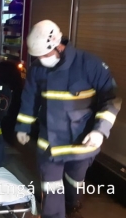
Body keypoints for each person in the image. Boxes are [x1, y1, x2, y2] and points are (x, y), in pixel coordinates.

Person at [15, 20, 121, 218]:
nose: (41, 59)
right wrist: (23, 127)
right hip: (50, 143)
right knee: (52, 188)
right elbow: (29, 98)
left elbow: (112, 98)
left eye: (44, 54)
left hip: (80, 142)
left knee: (74, 183)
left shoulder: (90, 64)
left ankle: (72, 205)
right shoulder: (38, 69)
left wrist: (100, 130)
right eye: (37, 56)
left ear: (57, 44)